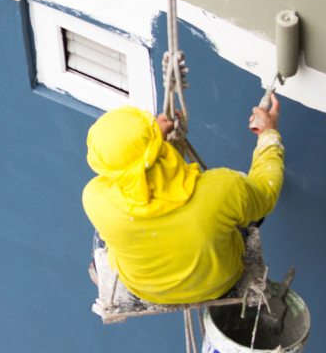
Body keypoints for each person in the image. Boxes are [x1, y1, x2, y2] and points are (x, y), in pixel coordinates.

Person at [83, 94, 284, 305]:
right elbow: (267, 191)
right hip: (218, 283)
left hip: (146, 289)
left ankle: (99, 270)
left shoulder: (94, 199)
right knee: (246, 198)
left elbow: (131, 174)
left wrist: (149, 143)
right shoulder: (224, 188)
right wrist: (268, 135)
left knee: (103, 231)